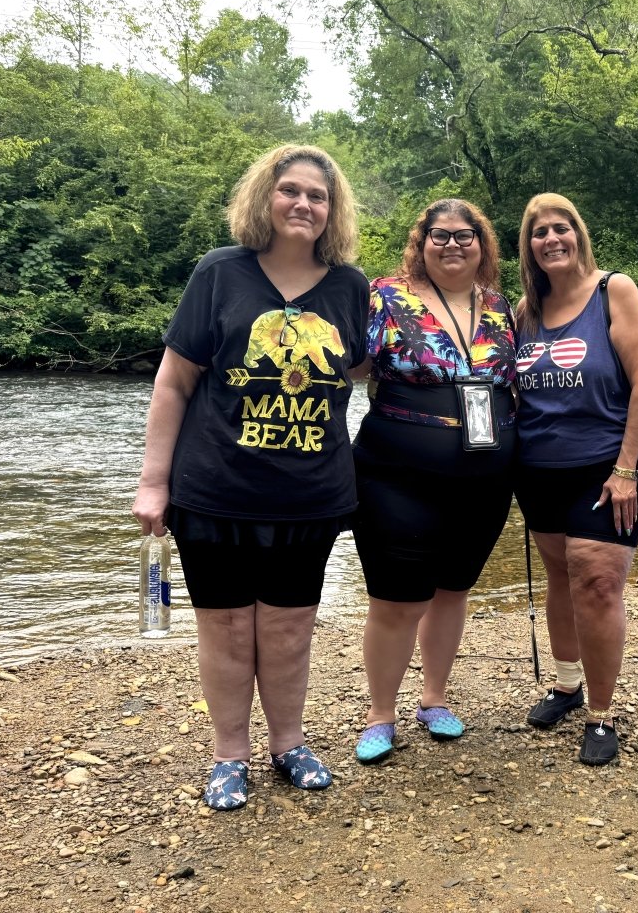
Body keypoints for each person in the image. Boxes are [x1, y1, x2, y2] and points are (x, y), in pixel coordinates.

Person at [132, 144, 369, 809]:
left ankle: (288, 743)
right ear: (266, 197)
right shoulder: (219, 273)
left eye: (317, 196)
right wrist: (154, 483)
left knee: (291, 628)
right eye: (290, 190)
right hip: (214, 491)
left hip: (311, 495)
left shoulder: (350, 288)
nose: (303, 204)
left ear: (332, 209)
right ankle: (229, 753)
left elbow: (357, 371)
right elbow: (174, 383)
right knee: (228, 628)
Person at [351, 198, 518, 764]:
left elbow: (519, 385)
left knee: (452, 590)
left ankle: (435, 699)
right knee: (396, 598)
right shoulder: (385, 296)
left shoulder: (499, 308)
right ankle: (380, 713)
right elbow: (347, 367)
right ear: (421, 244)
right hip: (395, 474)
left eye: (464, 235)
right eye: (439, 235)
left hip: (485, 478)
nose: (453, 245)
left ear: (482, 243)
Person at [513, 193, 638, 766]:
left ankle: (601, 714)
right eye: (539, 232)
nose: (551, 239)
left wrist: (627, 470)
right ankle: (567, 686)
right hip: (538, 472)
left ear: (579, 233)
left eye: (561, 228)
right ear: (528, 246)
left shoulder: (612, 291)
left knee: (598, 583)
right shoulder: (525, 311)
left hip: (606, 469)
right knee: (560, 577)